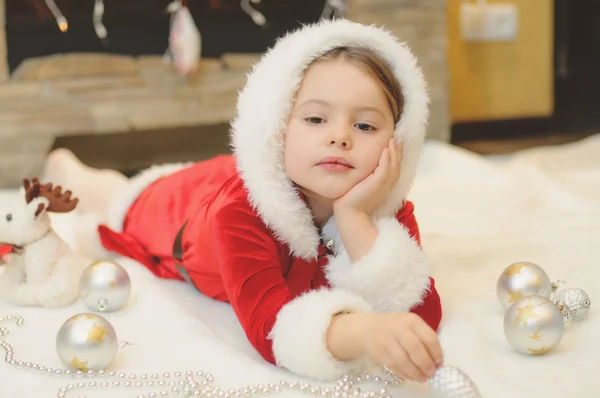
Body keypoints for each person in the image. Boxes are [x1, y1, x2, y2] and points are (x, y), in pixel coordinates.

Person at [41, 19, 444, 383]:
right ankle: (75, 171)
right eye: (316, 119)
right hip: (186, 208)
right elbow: (270, 326)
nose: (340, 137)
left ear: (398, 142)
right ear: (277, 127)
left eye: (365, 125)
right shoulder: (237, 212)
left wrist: (354, 216)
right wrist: (364, 332)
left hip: (238, 175)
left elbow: (422, 314)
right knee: (122, 199)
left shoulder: (383, 209)